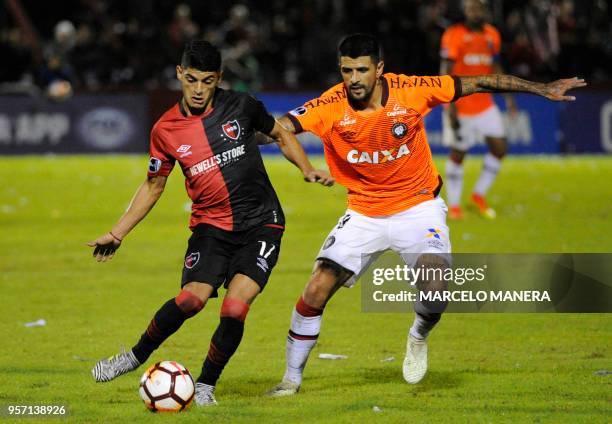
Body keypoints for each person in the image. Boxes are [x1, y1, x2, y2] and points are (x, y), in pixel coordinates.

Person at [268, 33, 585, 396]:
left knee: (435, 291)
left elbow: (478, 81)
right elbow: (279, 128)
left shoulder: (412, 90)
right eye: (346, 71)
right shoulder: (330, 105)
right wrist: (244, 124)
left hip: (419, 208)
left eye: (361, 70)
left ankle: (418, 334)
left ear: (379, 69)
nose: (353, 79)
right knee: (316, 288)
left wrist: (540, 88)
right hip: (364, 211)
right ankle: (290, 380)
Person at [87, 40, 333, 406]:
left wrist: (307, 168)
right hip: (211, 227)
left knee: (235, 307)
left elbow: (281, 132)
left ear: (218, 79)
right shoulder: (165, 129)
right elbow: (154, 184)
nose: (199, 89)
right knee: (190, 300)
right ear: (179, 75)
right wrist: (118, 232)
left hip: (261, 223)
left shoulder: (242, 105)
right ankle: (134, 356)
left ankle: (205, 386)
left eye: (207, 81)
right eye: (192, 80)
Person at [440, 0, 517, 219]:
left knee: (500, 148)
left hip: (485, 104)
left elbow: (496, 67)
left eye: (480, 8)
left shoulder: (492, 34)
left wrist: (509, 98)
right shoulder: (453, 35)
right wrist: (450, 104)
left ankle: (478, 195)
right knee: (458, 153)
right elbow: (446, 71)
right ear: (465, 12)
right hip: (461, 105)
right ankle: (454, 206)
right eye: (472, 9)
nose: (476, 12)